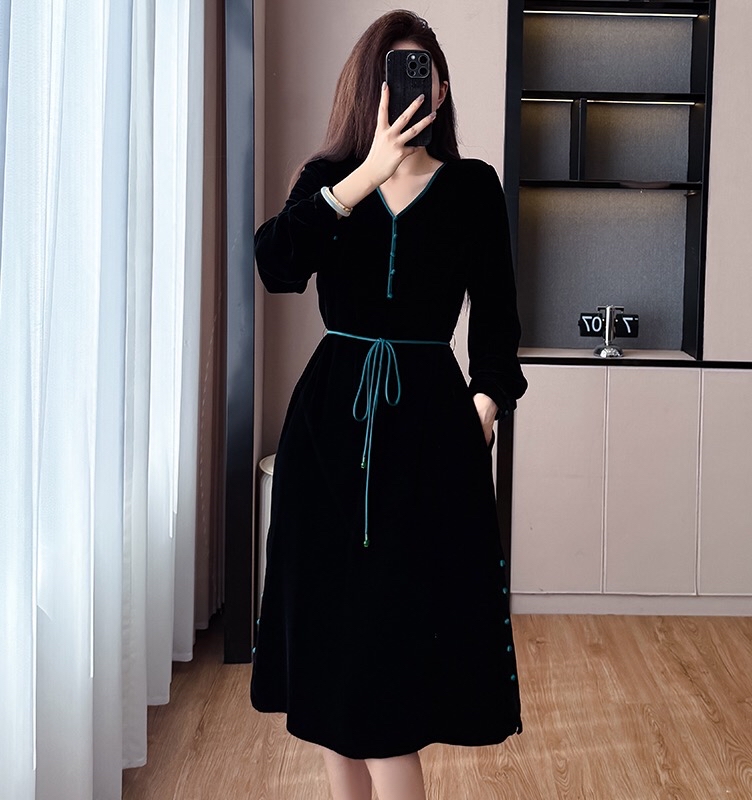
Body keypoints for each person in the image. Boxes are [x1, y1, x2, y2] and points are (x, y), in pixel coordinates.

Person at [250, 10, 528, 800]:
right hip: (327, 436)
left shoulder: (472, 187)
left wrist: (483, 409)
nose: (411, 85)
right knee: (333, 660)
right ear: (365, 88)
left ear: (441, 88)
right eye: (395, 72)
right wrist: (364, 174)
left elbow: (498, 323)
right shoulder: (327, 182)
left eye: (423, 71)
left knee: (394, 664)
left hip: (431, 438)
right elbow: (276, 265)